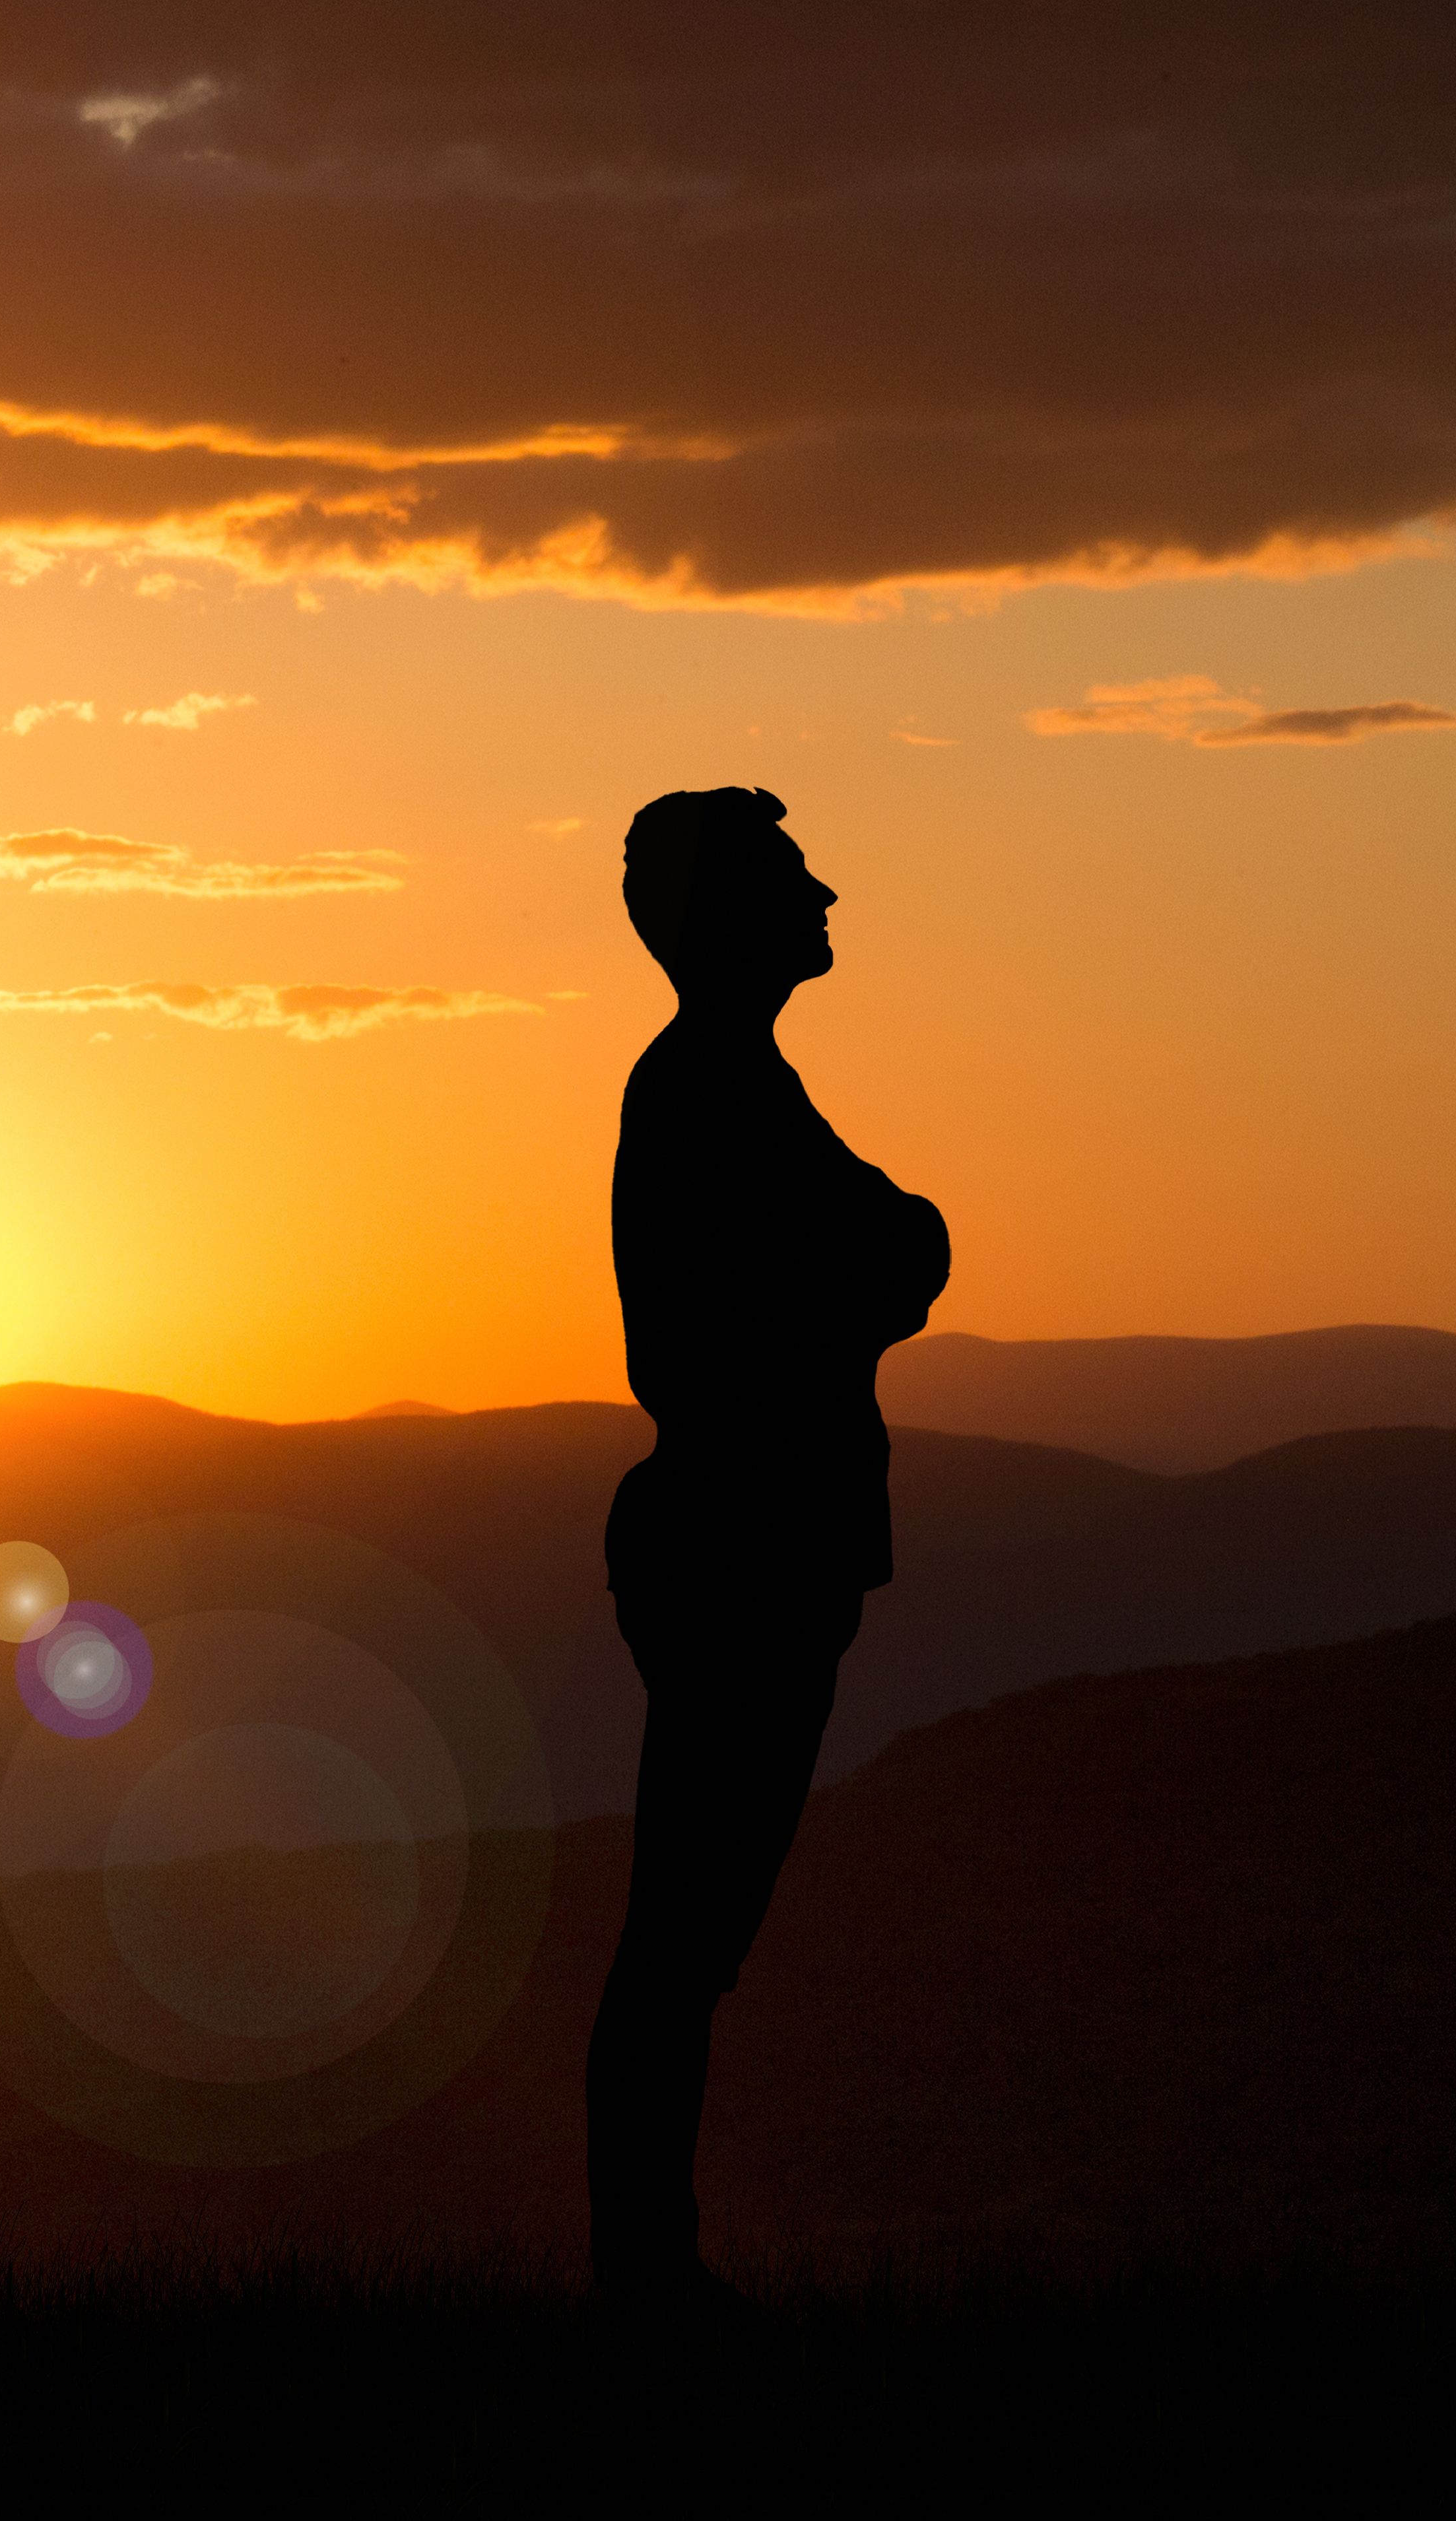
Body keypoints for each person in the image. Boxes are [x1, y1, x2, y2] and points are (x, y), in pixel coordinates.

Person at [589, 787, 947, 2306]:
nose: (828, 896)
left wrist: (886, 1248)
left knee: (694, 1930)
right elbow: (891, 1250)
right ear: (726, 913)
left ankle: (648, 2265)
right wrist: (886, 1249)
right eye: (796, 877)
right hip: (741, 1549)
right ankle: (645, 2275)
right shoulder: (710, 1090)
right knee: (685, 1935)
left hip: (749, 1544)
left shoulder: (731, 1083)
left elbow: (886, 1251)